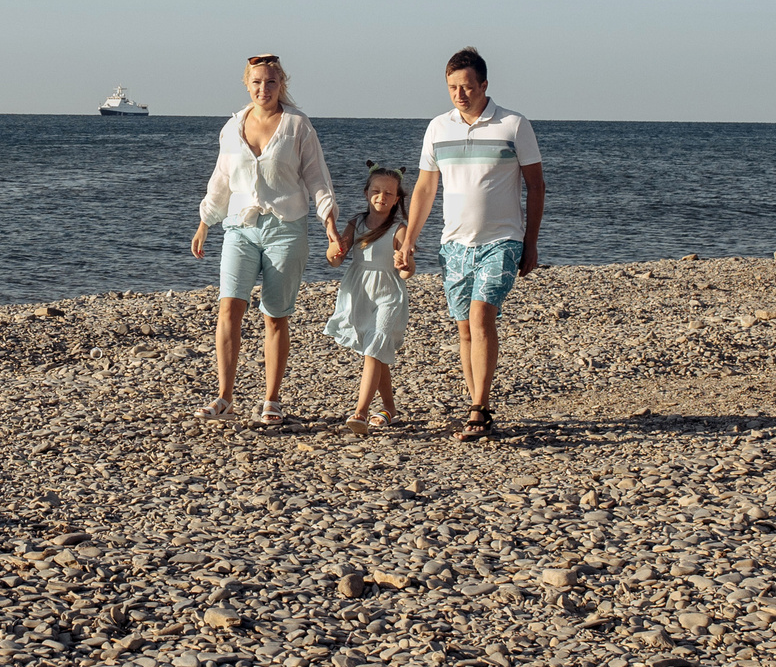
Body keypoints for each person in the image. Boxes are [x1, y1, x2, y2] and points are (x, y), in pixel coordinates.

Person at [394, 47, 545, 441]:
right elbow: (426, 187)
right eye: (452, 88)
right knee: (463, 328)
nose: (459, 94)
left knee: (481, 317)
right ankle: (475, 399)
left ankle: (480, 408)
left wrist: (530, 242)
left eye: (466, 87)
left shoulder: (513, 125)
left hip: (502, 240)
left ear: (484, 85)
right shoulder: (438, 128)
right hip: (454, 245)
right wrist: (409, 239)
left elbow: (536, 185)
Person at [189, 54, 340, 425]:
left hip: (286, 228)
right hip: (240, 227)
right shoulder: (231, 127)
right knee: (229, 309)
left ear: (281, 84)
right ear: (246, 84)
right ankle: (225, 396)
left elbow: (317, 178)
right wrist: (205, 221)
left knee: (275, 315)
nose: (263, 89)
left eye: (270, 82)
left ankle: (272, 398)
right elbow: (221, 178)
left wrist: (330, 223)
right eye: (257, 82)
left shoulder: (297, 126)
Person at [322, 162, 411, 429]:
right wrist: (334, 249)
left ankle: (360, 412)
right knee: (376, 350)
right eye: (376, 191)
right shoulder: (356, 223)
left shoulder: (400, 229)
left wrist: (404, 265)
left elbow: (408, 271)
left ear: (397, 199)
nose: (381, 197)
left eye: (388, 193)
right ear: (366, 193)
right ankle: (390, 409)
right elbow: (335, 261)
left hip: (388, 293)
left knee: (374, 347)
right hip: (359, 289)